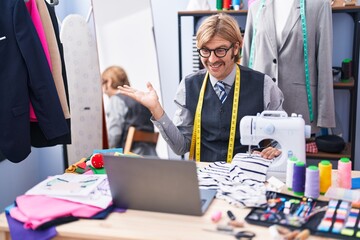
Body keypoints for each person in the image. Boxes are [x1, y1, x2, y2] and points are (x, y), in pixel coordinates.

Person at [118, 13, 284, 162]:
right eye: (205, 50)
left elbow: (281, 141)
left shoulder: (264, 86)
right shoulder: (189, 86)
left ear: (235, 47)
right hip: (204, 178)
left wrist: (276, 150)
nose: (211, 60)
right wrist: (156, 109)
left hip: (247, 179)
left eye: (220, 50)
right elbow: (181, 147)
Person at [241, 0, 335, 134]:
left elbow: (324, 63)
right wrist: (242, 108)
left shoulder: (319, 5)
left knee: (294, 154)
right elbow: (246, 59)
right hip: (260, 103)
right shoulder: (256, 8)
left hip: (299, 106)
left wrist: (325, 117)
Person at [102, 66, 158, 156]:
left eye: (102, 83)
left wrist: (101, 151)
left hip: (128, 160)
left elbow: (113, 137)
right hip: (150, 157)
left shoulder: (116, 100)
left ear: (109, 81)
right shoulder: (140, 100)